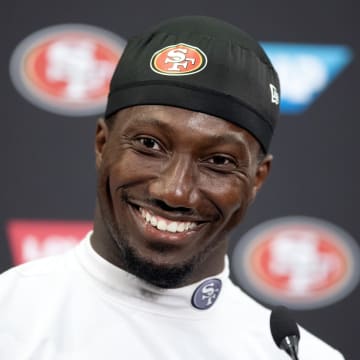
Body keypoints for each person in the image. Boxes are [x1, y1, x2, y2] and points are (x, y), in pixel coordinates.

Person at [0, 16, 344, 359]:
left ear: (257, 179)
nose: (175, 192)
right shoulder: (11, 315)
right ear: (102, 144)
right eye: (149, 144)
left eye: (219, 161)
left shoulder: (298, 355)